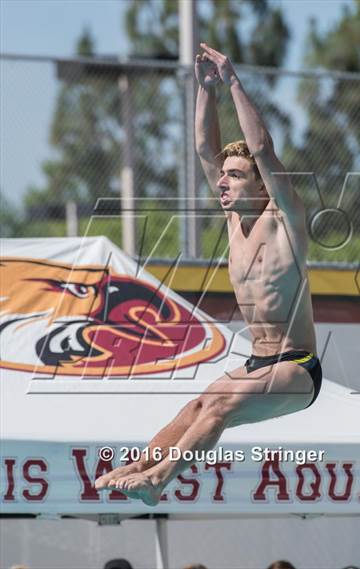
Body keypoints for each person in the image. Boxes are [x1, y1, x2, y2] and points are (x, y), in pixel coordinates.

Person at [95, 43, 322, 505]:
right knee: (196, 406)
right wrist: (205, 90)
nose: (222, 182)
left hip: (297, 366)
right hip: (259, 361)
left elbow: (261, 146)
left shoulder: (284, 218)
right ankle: (141, 467)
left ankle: (159, 480)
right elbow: (203, 146)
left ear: (261, 182)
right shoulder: (232, 225)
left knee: (217, 405)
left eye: (235, 175)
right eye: (223, 176)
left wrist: (233, 80)